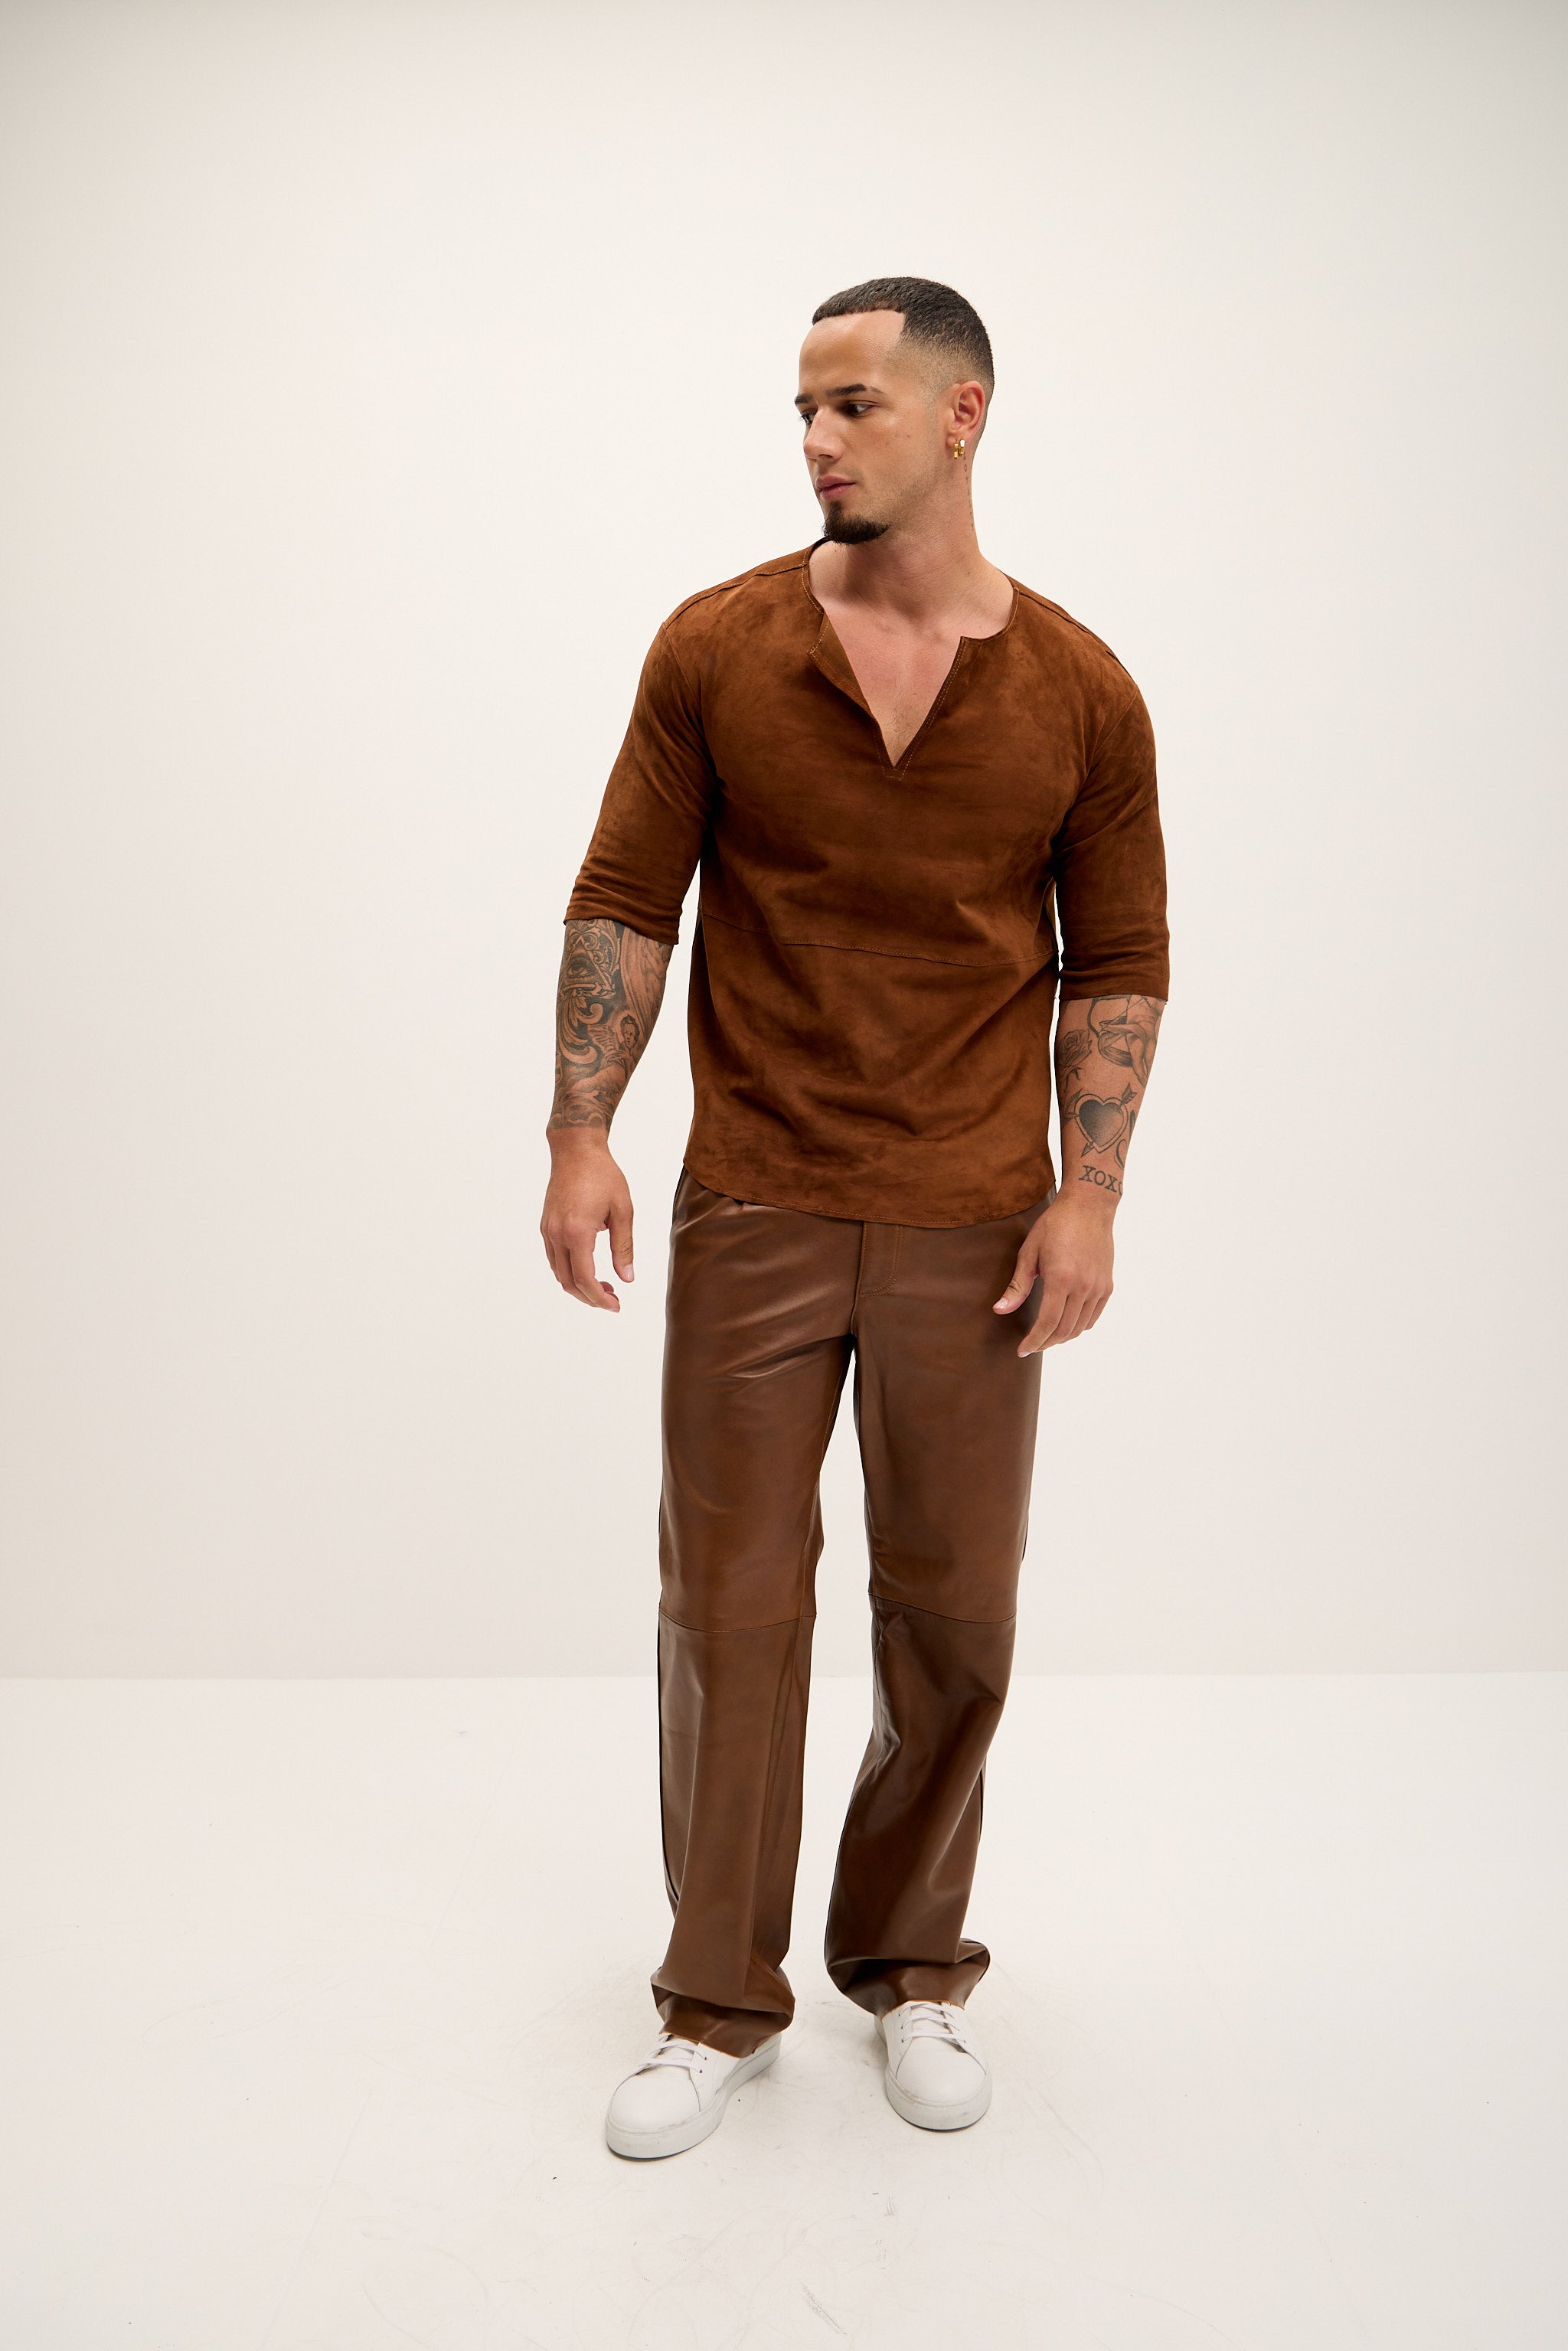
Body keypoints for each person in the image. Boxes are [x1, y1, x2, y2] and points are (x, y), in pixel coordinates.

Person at [542, 276, 1169, 2161]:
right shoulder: (718, 646)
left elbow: (1117, 957)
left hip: (977, 1219)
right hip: (756, 1195)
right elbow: (625, 898)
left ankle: (908, 1967)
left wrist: (1091, 1191)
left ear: (961, 415)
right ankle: (715, 2003)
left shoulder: (1078, 688)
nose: (816, 438)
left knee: (955, 1608)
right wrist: (581, 1131)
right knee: (728, 1607)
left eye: (852, 405)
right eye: (803, 409)